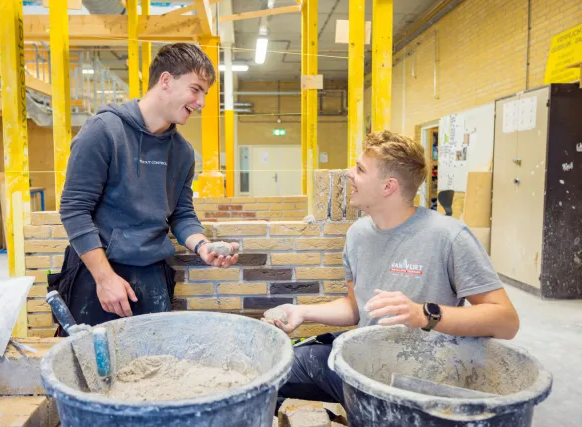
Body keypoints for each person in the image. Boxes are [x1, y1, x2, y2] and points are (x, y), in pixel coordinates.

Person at [267, 130, 519, 407]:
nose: (349, 173)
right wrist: (302, 312)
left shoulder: (449, 236)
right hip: (361, 363)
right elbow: (357, 307)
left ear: (388, 186)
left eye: (360, 169)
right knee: (267, 374)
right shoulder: (358, 234)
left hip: (417, 380)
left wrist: (424, 315)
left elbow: (506, 321)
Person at [53, 43, 238, 331]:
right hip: (98, 273)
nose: (201, 102)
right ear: (166, 81)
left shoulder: (182, 152)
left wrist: (203, 246)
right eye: (195, 89)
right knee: (93, 367)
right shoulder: (104, 132)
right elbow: (74, 210)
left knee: (154, 366)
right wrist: (105, 279)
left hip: (152, 275)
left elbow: (181, 215)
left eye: (205, 94)